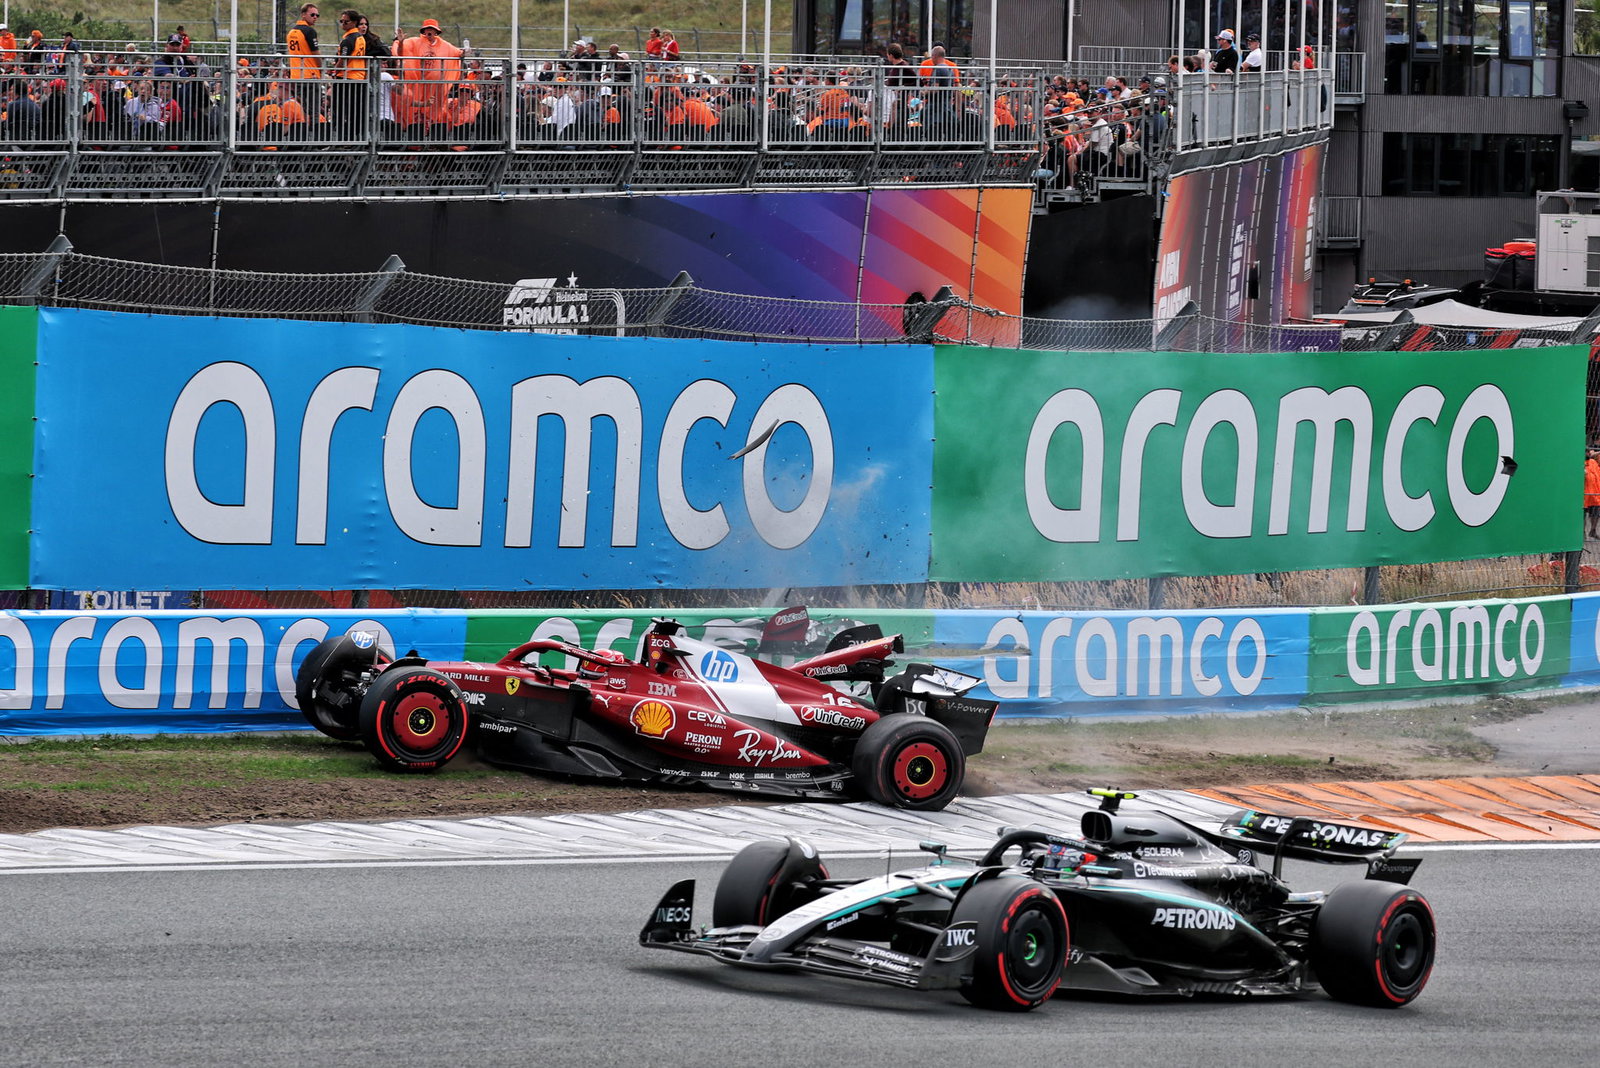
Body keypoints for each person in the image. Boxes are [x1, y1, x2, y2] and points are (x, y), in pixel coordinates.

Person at [393, 18, 463, 140]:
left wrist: (465, 53)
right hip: (417, 84)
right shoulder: (414, 42)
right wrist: (401, 42)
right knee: (414, 110)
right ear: (423, 31)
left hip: (435, 86)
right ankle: (415, 142)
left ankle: (434, 141)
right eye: (427, 29)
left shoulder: (445, 45)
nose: (429, 31)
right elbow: (401, 53)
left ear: (437, 31)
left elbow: (458, 53)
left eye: (432, 29)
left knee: (435, 111)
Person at [334, 9, 376, 140]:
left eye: (345, 21)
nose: (343, 24)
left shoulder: (349, 39)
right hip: (358, 78)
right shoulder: (360, 37)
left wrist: (334, 70)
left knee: (341, 110)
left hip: (346, 78)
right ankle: (355, 137)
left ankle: (343, 138)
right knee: (355, 110)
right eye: (341, 21)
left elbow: (343, 59)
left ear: (353, 23)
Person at [286, 4, 323, 122]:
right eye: (312, 14)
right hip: (310, 75)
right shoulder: (309, 31)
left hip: (296, 76)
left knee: (302, 108)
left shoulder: (292, 31)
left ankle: (301, 132)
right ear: (303, 15)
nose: (315, 17)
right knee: (314, 111)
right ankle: (314, 135)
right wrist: (321, 68)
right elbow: (315, 53)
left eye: (317, 15)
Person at [1585, 447, 1600, 538]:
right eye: (1586, 452)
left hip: (1595, 494)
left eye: (1588, 452)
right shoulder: (1579, 463)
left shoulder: (1593, 462)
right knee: (1582, 515)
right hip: (1585, 495)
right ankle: (1582, 532)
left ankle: (1593, 530)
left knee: (1595, 514)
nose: (1588, 453)